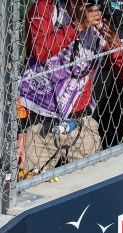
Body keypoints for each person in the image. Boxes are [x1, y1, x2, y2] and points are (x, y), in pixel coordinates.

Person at [18, 0, 105, 174]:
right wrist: (78, 26)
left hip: (80, 120)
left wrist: (112, 37)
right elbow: (40, 50)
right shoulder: (45, 8)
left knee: (92, 183)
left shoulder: (98, 13)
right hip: (42, 122)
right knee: (30, 189)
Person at [90, 0, 123, 148]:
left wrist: (116, 45)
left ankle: (110, 146)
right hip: (92, 66)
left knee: (121, 86)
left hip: (116, 53)